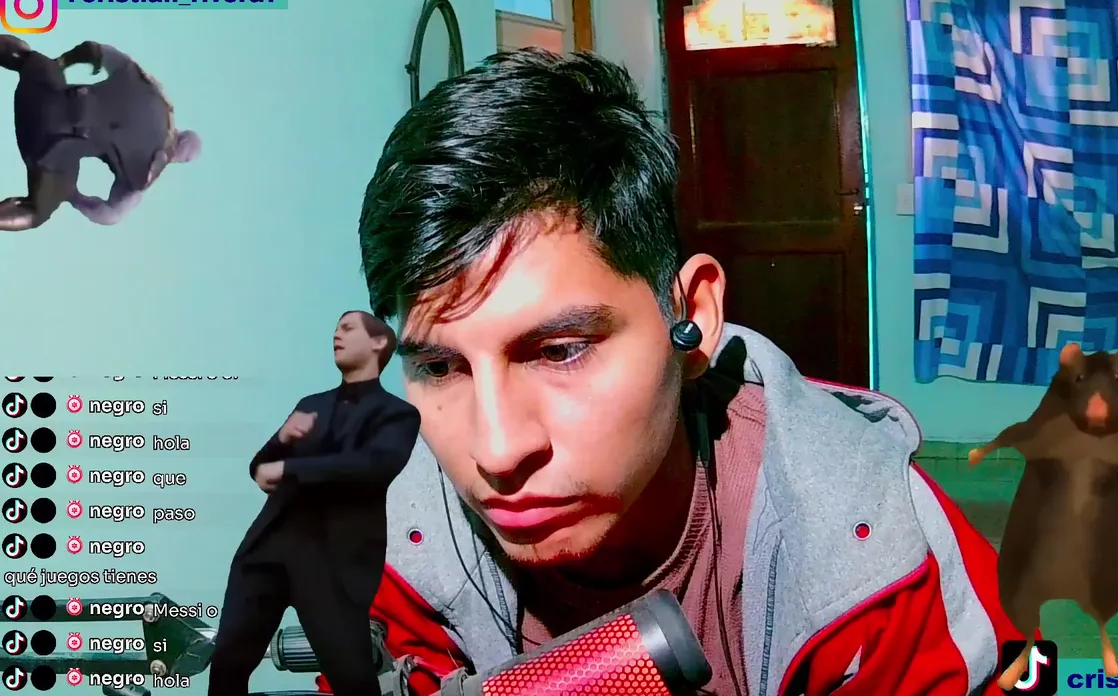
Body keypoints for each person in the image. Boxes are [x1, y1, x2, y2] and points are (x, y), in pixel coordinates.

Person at [320, 49, 1025, 696]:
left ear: (692, 317)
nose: (498, 452)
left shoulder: (880, 551)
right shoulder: (385, 554)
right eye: (440, 366)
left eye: (561, 351)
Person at [209, 311, 420, 696]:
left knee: (351, 675)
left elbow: (373, 466)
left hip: (332, 557)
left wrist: (290, 468)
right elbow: (260, 467)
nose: (337, 334)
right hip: (267, 548)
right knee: (227, 665)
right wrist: (283, 441)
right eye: (336, 328)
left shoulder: (398, 414)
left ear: (378, 343)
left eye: (348, 328)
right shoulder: (310, 405)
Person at [0, 37, 199, 230]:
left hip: (41, 93)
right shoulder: (148, 173)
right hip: (44, 149)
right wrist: (73, 196)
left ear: (182, 132)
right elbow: (109, 215)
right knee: (38, 212)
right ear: (179, 159)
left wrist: (63, 62)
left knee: (28, 58)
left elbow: (95, 50)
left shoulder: (153, 92)